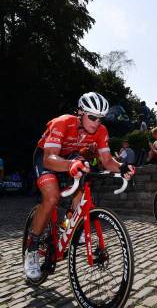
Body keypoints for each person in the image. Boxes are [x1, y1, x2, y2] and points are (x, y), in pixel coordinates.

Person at [24, 92, 136, 280]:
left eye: (100, 118)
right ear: (80, 113)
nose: (96, 122)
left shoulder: (101, 131)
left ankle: (69, 223)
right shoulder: (62, 122)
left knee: (84, 171)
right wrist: (69, 165)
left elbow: (107, 160)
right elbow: (50, 158)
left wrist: (123, 167)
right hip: (47, 157)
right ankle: (32, 248)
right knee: (52, 198)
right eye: (92, 117)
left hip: (70, 155)